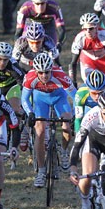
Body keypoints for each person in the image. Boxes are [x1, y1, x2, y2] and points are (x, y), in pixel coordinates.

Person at [21, 52, 75, 187]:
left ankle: (63, 151)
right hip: (40, 100)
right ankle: (41, 170)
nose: (44, 76)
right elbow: (24, 99)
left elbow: (76, 97)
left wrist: (73, 114)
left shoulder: (60, 75)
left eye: (47, 72)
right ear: (36, 71)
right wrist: (30, 113)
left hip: (59, 98)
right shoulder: (30, 77)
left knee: (66, 126)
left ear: (51, 69)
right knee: (39, 131)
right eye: (41, 72)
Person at [68, 12, 105, 85]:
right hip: (88, 60)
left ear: (96, 27)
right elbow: (73, 63)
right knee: (90, 84)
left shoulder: (104, 36)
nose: (88, 32)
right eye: (85, 29)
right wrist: (73, 81)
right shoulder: (79, 39)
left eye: (91, 29)